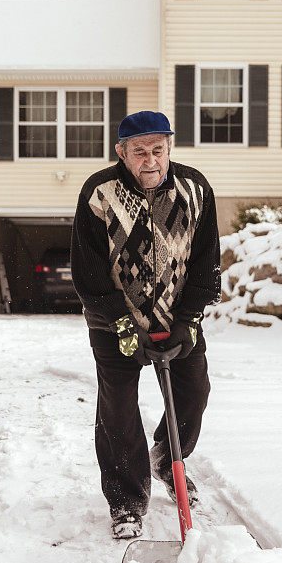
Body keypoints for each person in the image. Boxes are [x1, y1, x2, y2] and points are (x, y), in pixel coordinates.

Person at [70, 111, 221, 539]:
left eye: (158, 149)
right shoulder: (99, 193)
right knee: (118, 411)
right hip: (113, 324)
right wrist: (121, 323)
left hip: (177, 319)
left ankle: (166, 459)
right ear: (122, 152)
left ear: (169, 148)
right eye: (140, 151)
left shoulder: (195, 188)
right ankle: (127, 503)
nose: (150, 160)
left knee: (194, 393)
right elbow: (89, 272)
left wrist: (189, 319)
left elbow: (207, 261)